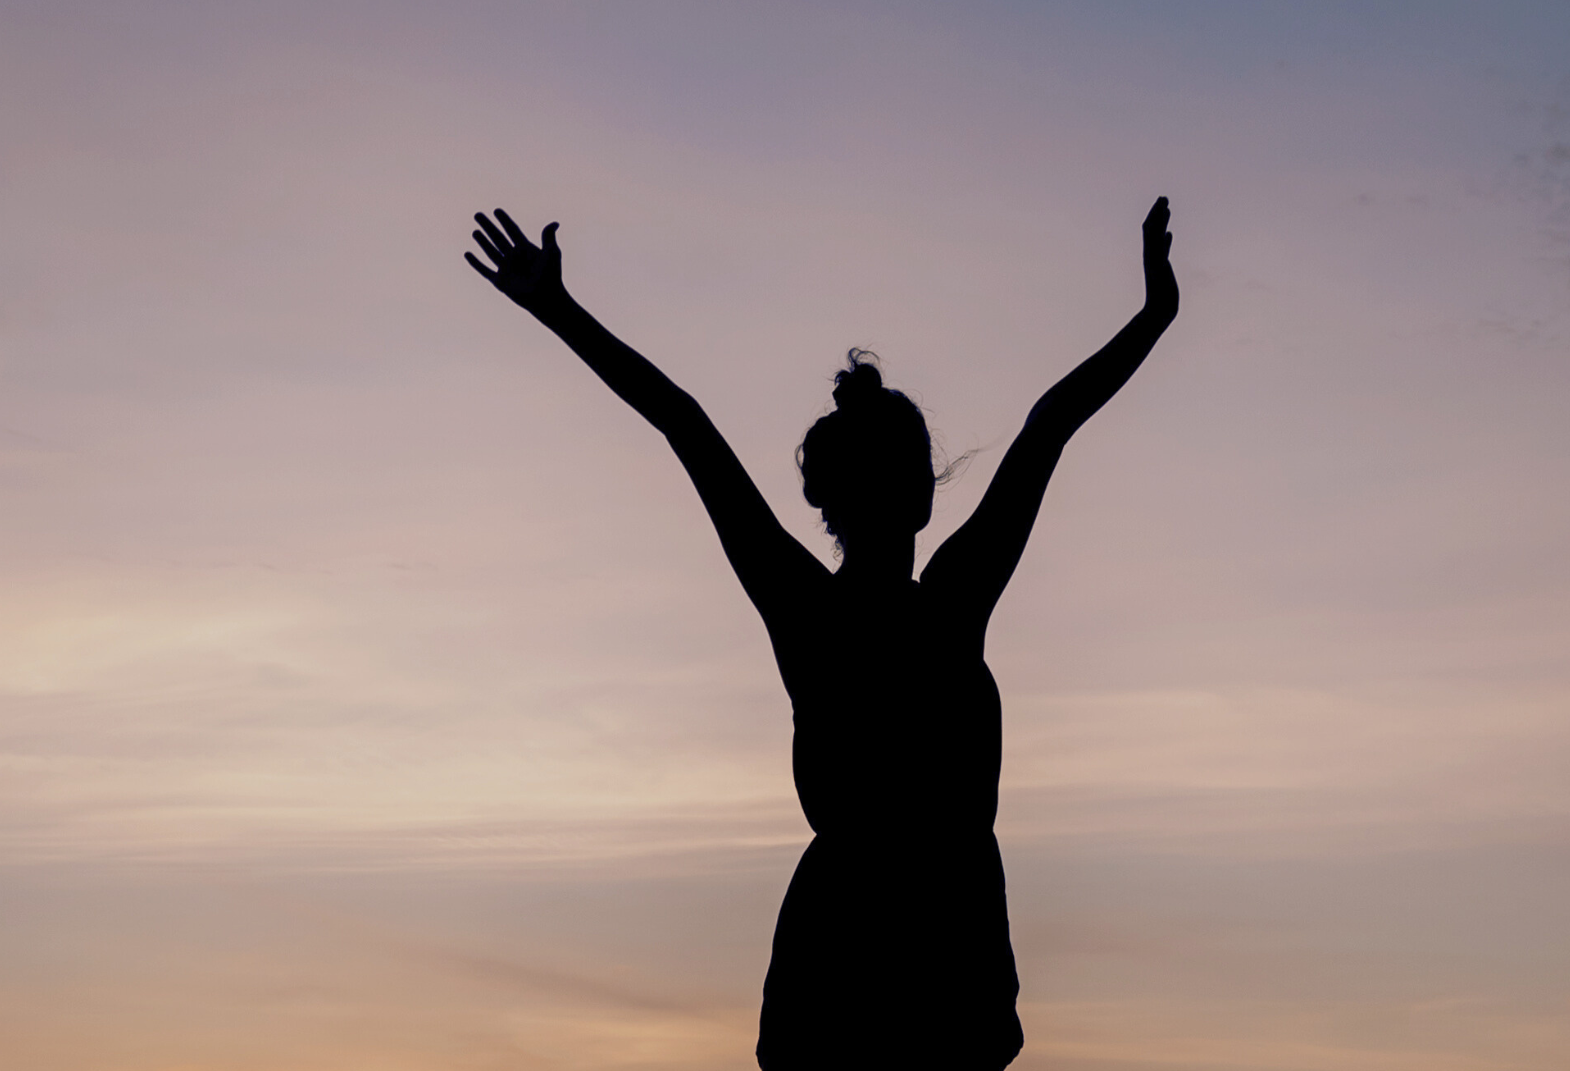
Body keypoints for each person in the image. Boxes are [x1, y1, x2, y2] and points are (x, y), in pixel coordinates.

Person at [465, 197, 1178, 1070]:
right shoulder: (943, 600)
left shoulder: (822, 606)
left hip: (880, 956)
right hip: (913, 955)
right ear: (922, 492)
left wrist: (560, 310)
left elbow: (684, 421)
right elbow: (1048, 423)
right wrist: (1151, 320)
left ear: (825, 503)